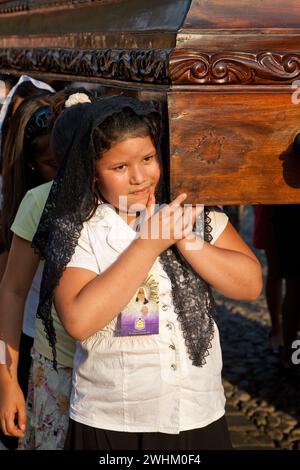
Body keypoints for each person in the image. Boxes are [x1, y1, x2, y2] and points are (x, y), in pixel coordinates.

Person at [29, 95, 262, 450]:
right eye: (119, 168)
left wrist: (184, 238)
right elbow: (78, 320)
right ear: (91, 172)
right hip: (114, 421)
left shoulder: (191, 214)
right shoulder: (82, 230)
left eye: (148, 159)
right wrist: (148, 244)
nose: (139, 177)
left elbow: (249, 285)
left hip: (198, 412)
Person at [0, 90, 95, 450]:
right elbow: (9, 292)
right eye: (55, 162)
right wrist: (6, 379)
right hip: (43, 354)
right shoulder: (36, 204)